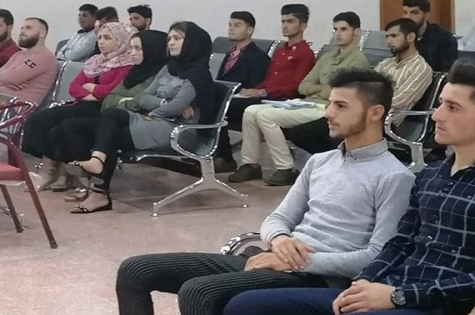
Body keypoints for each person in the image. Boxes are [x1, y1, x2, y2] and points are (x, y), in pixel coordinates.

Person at [116, 68, 414, 315]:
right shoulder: (321, 161)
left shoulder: (394, 177)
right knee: (135, 270)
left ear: (375, 113)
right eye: (330, 103)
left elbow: (377, 257)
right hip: (276, 259)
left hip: (319, 277)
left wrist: (299, 261)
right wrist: (280, 238)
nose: (328, 113)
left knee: (199, 292)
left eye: (341, 106)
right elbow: (277, 218)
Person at [223, 58, 475, 315]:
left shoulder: (398, 176)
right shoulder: (429, 176)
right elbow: (399, 245)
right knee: (244, 306)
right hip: (392, 285)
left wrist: (398, 296)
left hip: (431, 301)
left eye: (452, 107)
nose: (436, 115)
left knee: (218, 294)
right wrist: (364, 281)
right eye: (440, 103)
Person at [70, 22, 214, 213]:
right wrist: (164, 104)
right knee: (109, 117)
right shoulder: (169, 67)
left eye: (177, 38)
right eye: (169, 39)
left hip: (179, 131)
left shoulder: (199, 74)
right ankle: (97, 165)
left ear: (192, 43)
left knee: (109, 135)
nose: (170, 43)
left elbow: (174, 108)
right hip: (156, 122)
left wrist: (158, 109)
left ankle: (99, 192)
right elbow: (143, 98)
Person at [229, 11, 369, 186]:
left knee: (265, 116)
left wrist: (319, 89)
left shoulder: (358, 61)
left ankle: (286, 168)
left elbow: (339, 93)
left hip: (326, 107)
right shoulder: (327, 57)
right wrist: (323, 88)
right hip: (306, 103)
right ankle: (250, 164)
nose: (338, 34)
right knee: (250, 111)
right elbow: (303, 86)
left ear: (356, 32)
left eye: (343, 29)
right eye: (335, 29)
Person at [287, 18, 433, 155]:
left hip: (382, 120)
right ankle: (338, 160)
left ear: (411, 37)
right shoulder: (386, 64)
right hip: (358, 112)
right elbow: (364, 87)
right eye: (387, 37)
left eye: (394, 36)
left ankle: (343, 160)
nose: (389, 41)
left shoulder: (421, 68)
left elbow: (400, 101)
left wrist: (361, 103)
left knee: (333, 132)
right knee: (298, 133)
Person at [22, 22, 134, 190]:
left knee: (65, 126)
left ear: (121, 40)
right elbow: (74, 87)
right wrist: (92, 93)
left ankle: (67, 173)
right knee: (42, 119)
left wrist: (92, 88)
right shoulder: (95, 61)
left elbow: (112, 91)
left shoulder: (127, 64)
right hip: (83, 103)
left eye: (107, 38)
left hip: (104, 110)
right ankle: (50, 170)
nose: (101, 42)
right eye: (100, 38)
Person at [214, 4, 315, 172]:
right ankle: (244, 162)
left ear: (303, 25)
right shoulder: (281, 52)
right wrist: (255, 90)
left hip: (282, 100)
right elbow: (269, 80)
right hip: (268, 96)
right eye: (283, 21)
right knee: (221, 102)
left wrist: (262, 91)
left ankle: (225, 156)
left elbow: (296, 85)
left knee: (223, 106)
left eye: (290, 21)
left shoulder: (305, 53)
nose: (285, 25)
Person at [0, 17, 59, 104]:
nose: (22, 31)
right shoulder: (19, 54)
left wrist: (3, 75)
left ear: (42, 33)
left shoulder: (45, 56)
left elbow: (13, 78)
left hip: (14, 105)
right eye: (22, 28)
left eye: (28, 28)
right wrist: (6, 79)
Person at [401, 0, 458, 72]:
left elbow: (447, 71)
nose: (408, 17)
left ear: (426, 15)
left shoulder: (443, 37)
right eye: (405, 12)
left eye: (414, 13)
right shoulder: (402, 35)